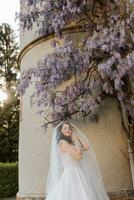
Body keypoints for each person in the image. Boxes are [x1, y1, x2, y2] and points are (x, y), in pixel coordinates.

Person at [45, 121, 110, 200]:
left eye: (69, 128)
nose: (67, 130)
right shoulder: (62, 143)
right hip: (71, 173)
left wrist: (77, 137)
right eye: (64, 128)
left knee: (82, 193)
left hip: (78, 171)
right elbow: (78, 156)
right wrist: (76, 141)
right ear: (61, 132)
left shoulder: (70, 143)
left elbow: (86, 147)